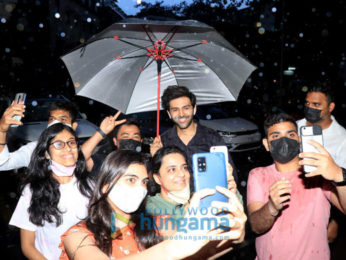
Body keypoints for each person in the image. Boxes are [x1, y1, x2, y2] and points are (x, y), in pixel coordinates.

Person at [60, 149, 245, 260]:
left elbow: (199, 252)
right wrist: (175, 247)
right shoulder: (78, 235)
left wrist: (233, 235)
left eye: (144, 182)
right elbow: (178, 248)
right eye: (131, 180)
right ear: (106, 186)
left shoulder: (155, 224)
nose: (140, 188)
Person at [247, 113, 346, 260]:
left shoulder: (317, 173)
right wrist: (271, 208)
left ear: (299, 140)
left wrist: (340, 176)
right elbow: (256, 225)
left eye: (290, 134)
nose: (284, 140)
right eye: (275, 136)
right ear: (267, 144)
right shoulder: (258, 175)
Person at [9, 123, 94, 259]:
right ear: (47, 154)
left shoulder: (90, 186)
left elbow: (108, 224)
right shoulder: (33, 190)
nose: (67, 149)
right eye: (59, 144)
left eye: (71, 143)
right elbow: (27, 245)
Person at [146, 146, 245, 259]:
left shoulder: (201, 198)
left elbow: (228, 232)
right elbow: (178, 247)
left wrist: (230, 195)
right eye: (172, 169)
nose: (182, 174)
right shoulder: (150, 206)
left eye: (184, 168)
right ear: (158, 178)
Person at [150, 85, 237, 181]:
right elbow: (157, 181)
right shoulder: (163, 141)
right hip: (177, 194)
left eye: (186, 108)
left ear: (194, 109)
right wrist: (156, 157)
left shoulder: (212, 137)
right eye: (175, 110)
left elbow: (230, 174)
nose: (181, 114)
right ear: (169, 113)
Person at [297, 81, 346, 242]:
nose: (310, 108)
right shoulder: (295, 127)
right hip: (292, 203)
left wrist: (336, 220)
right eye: (307, 103)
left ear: (330, 107)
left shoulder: (342, 139)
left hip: (322, 211)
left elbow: (342, 184)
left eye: (316, 104)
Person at [0, 101, 79, 170]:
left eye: (63, 120)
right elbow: (3, 164)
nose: (55, 124)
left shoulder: (78, 150)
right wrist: (1, 131)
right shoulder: (35, 149)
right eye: (52, 119)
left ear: (74, 126)